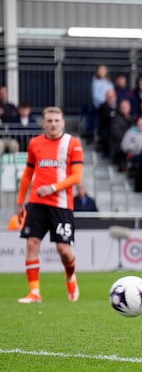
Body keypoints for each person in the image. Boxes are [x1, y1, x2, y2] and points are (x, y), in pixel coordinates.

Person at [16, 107, 84, 303]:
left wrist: (53, 188)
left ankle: (71, 277)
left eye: (56, 120)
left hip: (61, 204)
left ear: (63, 122)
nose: (53, 124)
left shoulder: (72, 143)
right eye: (49, 121)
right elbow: (28, 174)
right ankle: (34, 292)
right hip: (36, 203)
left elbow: (77, 176)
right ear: (43, 123)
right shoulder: (35, 143)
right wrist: (21, 202)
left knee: (64, 250)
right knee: (32, 243)